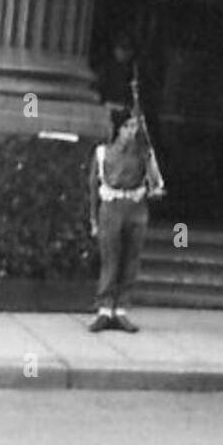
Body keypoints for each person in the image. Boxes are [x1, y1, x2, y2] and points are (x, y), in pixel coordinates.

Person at [88, 102, 163, 333]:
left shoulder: (145, 154)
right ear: (118, 129)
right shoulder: (103, 153)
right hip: (110, 208)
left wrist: (155, 187)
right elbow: (93, 187)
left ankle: (121, 308)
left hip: (135, 209)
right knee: (110, 258)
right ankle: (104, 308)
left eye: (136, 126)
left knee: (131, 259)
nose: (133, 131)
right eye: (128, 126)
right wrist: (93, 219)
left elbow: (156, 184)